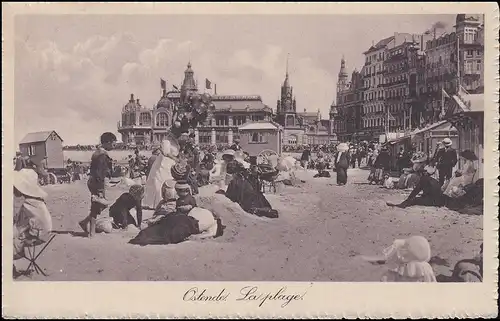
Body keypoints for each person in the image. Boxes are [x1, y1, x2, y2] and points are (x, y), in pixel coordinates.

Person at [13, 169, 53, 277]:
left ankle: (10, 268)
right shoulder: (36, 200)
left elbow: (20, 226)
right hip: (45, 231)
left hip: (38, 235)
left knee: (9, 237)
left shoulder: (27, 204)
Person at [78, 132, 116, 238]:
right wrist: (100, 190)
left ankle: (85, 223)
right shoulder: (102, 155)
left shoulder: (98, 152)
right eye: (113, 144)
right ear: (108, 142)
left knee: (100, 205)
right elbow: (100, 172)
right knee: (96, 205)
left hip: (94, 181)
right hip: (97, 182)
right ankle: (91, 232)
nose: (114, 146)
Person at [143, 136, 179, 209]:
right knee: (159, 181)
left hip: (171, 163)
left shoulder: (176, 142)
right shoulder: (166, 141)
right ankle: (157, 202)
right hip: (163, 163)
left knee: (170, 182)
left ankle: (169, 200)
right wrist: (176, 159)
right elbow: (165, 152)